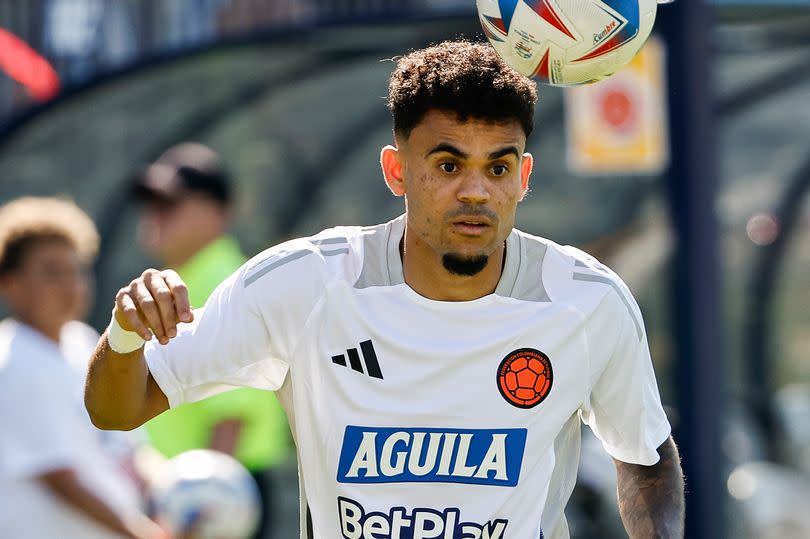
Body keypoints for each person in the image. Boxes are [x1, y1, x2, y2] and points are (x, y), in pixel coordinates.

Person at [85, 41, 685, 538]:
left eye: (498, 167)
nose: (476, 191)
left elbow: (645, 457)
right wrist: (125, 334)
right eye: (448, 166)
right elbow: (116, 408)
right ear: (396, 170)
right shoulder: (306, 283)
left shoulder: (587, 303)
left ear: (523, 176)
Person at [132, 142, 293, 539]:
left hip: (213, 494)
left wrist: (201, 510)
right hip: (193, 488)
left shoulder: (224, 283)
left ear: (218, 212)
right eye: (152, 203)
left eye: (170, 202)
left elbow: (233, 412)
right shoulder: (189, 279)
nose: (156, 213)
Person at [0, 197, 168, 539]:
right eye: (51, 271)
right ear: (10, 284)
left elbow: (127, 448)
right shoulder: (11, 360)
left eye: (76, 270)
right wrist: (144, 533)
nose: (70, 285)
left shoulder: (84, 342)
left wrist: (177, 488)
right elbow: (60, 478)